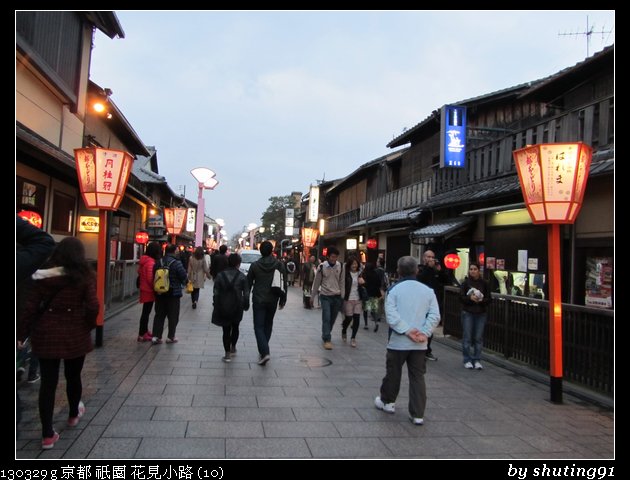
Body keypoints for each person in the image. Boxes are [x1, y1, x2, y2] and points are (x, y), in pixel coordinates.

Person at [17, 237, 99, 449]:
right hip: (74, 332)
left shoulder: (43, 276)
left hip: (46, 334)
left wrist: (21, 333)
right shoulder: (85, 276)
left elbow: (30, 308)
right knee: (73, 376)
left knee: (48, 383)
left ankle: (47, 434)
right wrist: (88, 325)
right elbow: (92, 305)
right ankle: (73, 413)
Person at [374, 256, 440, 425]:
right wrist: (424, 332)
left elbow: (391, 315)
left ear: (399, 270)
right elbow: (434, 315)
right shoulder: (428, 291)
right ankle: (417, 413)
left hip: (398, 341)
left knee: (394, 372)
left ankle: (388, 402)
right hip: (420, 343)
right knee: (418, 377)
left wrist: (407, 330)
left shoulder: (394, 290)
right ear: (417, 270)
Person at [16, 216, 56, 434]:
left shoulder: (43, 275)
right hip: (63, 334)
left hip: (39, 327)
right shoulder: (78, 275)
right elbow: (43, 241)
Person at [247, 241, 286, 365]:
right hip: (273, 299)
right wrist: (283, 299)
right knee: (268, 324)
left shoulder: (255, 265)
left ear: (260, 251)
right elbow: (283, 282)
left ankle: (264, 351)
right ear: (272, 251)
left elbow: (247, 283)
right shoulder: (279, 264)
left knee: (258, 326)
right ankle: (264, 350)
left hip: (258, 298)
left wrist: (245, 298)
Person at [212, 253, 249, 362]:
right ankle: (233, 347)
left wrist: (216, 304)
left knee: (226, 330)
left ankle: (227, 354)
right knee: (236, 327)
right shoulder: (242, 277)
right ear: (238, 263)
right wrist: (246, 305)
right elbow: (246, 293)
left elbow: (216, 292)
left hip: (223, 305)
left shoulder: (220, 276)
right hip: (237, 306)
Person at [416, 249, 450, 361]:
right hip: (422, 302)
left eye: (432, 257)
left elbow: (446, 280)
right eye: (428, 257)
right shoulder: (420, 269)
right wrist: (429, 268)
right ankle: (422, 349)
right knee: (422, 325)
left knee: (430, 326)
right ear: (424, 258)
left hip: (434, 302)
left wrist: (440, 271)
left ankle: (426, 349)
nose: (431, 259)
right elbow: (421, 279)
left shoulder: (436, 270)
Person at [151, 244, 188, 345]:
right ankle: (170, 337)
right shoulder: (177, 263)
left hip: (160, 292)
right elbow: (183, 276)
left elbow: (153, 275)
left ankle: (156, 336)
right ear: (175, 251)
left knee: (159, 315)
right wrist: (185, 283)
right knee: (173, 315)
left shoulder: (159, 262)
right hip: (173, 293)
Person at [310, 246, 345, 350]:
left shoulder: (341, 266)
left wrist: (342, 296)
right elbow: (316, 283)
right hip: (325, 296)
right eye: (332, 257)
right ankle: (327, 339)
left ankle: (325, 333)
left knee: (333, 318)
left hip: (337, 296)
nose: (334, 259)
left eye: (336, 257)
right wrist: (312, 296)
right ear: (328, 256)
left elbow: (342, 282)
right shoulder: (322, 267)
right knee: (327, 317)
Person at [459, 262, 491, 370]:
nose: (472, 271)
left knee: (478, 337)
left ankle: (477, 359)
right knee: (467, 337)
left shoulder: (484, 283)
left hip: (481, 312)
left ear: (479, 270)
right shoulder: (465, 283)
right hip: (468, 311)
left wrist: (481, 300)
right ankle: (467, 359)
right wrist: (470, 299)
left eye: (475, 269)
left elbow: (489, 299)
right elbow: (461, 297)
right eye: (471, 269)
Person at [137, 241, 161, 342]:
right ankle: (142, 334)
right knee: (146, 313)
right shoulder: (151, 262)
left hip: (144, 289)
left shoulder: (144, 260)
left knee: (145, 312)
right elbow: (150, 278)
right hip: (148, 290)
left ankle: (144, 331)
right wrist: (156, 287)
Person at [341, 256, 364, 348]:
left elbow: (364, 284)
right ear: (349, 265)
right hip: (348, 299)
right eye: (352, 263)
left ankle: (353, 338)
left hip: (358, 299)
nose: (354, 265)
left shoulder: (360, 273)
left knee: (357, 318)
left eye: (356, 263)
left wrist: (363, 282)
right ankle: (344, 329)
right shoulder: (345, 274)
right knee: (349, 318)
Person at [361, 262, 384, 333]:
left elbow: (363, 284)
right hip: (374, 294)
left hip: (366, 294)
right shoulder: (376, 274)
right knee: (373, 310)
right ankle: (376, 323)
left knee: (365, 310)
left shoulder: (364, 274)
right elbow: (379, 284)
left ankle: (366, 324)